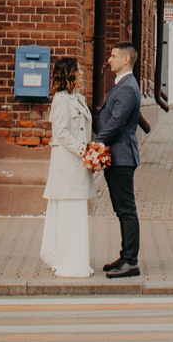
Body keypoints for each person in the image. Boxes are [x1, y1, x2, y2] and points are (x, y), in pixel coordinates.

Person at [39, 56, 92, 279]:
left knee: (77, 212)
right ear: (68, 74)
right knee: (70, 211)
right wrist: (84, 151)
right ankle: (68, 260)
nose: (81, 73)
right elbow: (60, 133)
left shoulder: (77, 98)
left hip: (76, 164)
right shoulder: (61, 100)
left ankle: (75, 258)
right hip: (67, 165)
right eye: (77, 70)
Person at [94, 41, 144, 278]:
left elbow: (116, 122)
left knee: (126, 210)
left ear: (126, 59)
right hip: (117, 156)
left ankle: (131, 261)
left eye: (113, 56)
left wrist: (97, 142)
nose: (109, 60)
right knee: (121, 209)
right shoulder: (124, 84)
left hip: (121, 156)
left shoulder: (127, 87)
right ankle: (125, 256)